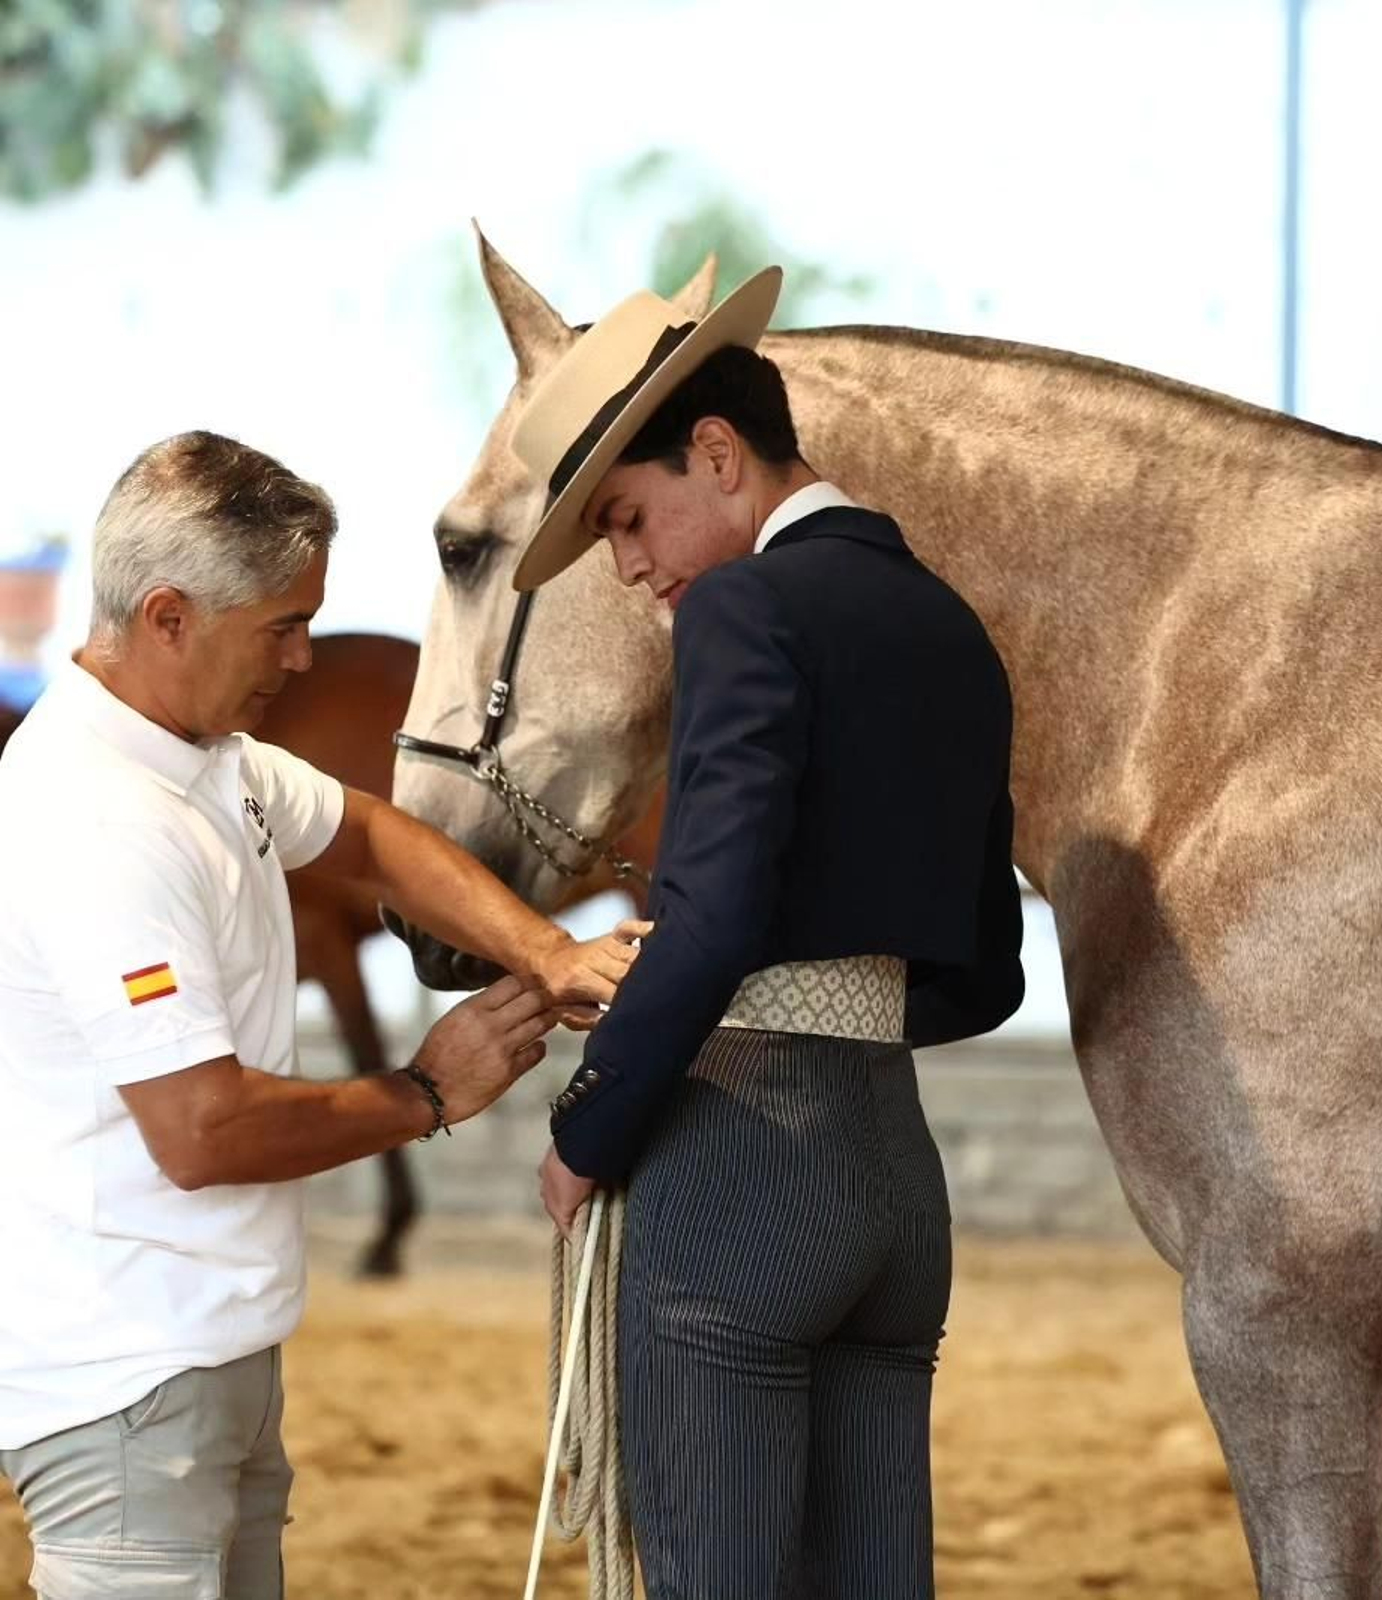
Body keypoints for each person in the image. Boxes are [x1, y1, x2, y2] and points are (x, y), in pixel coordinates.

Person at [0, 431, 644, 1600]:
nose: (302, 658)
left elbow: (368, 832)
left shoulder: (207, 756)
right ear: (168, 616)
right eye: (282, 627)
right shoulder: (99, 820)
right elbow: (202, 1131)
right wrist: (428, 1090)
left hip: (206, 1348)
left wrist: (548, 951)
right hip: (126, 1375)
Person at [512, 270, 1024, 1598]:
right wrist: (842, 1008)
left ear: (719, 453)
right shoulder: (949, 624)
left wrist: (586, 1129)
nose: (630, 567)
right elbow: (986, 966)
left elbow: (719, 909)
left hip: (745, 1169)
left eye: (628, 518)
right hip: (896, 1176)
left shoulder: (743, 608)